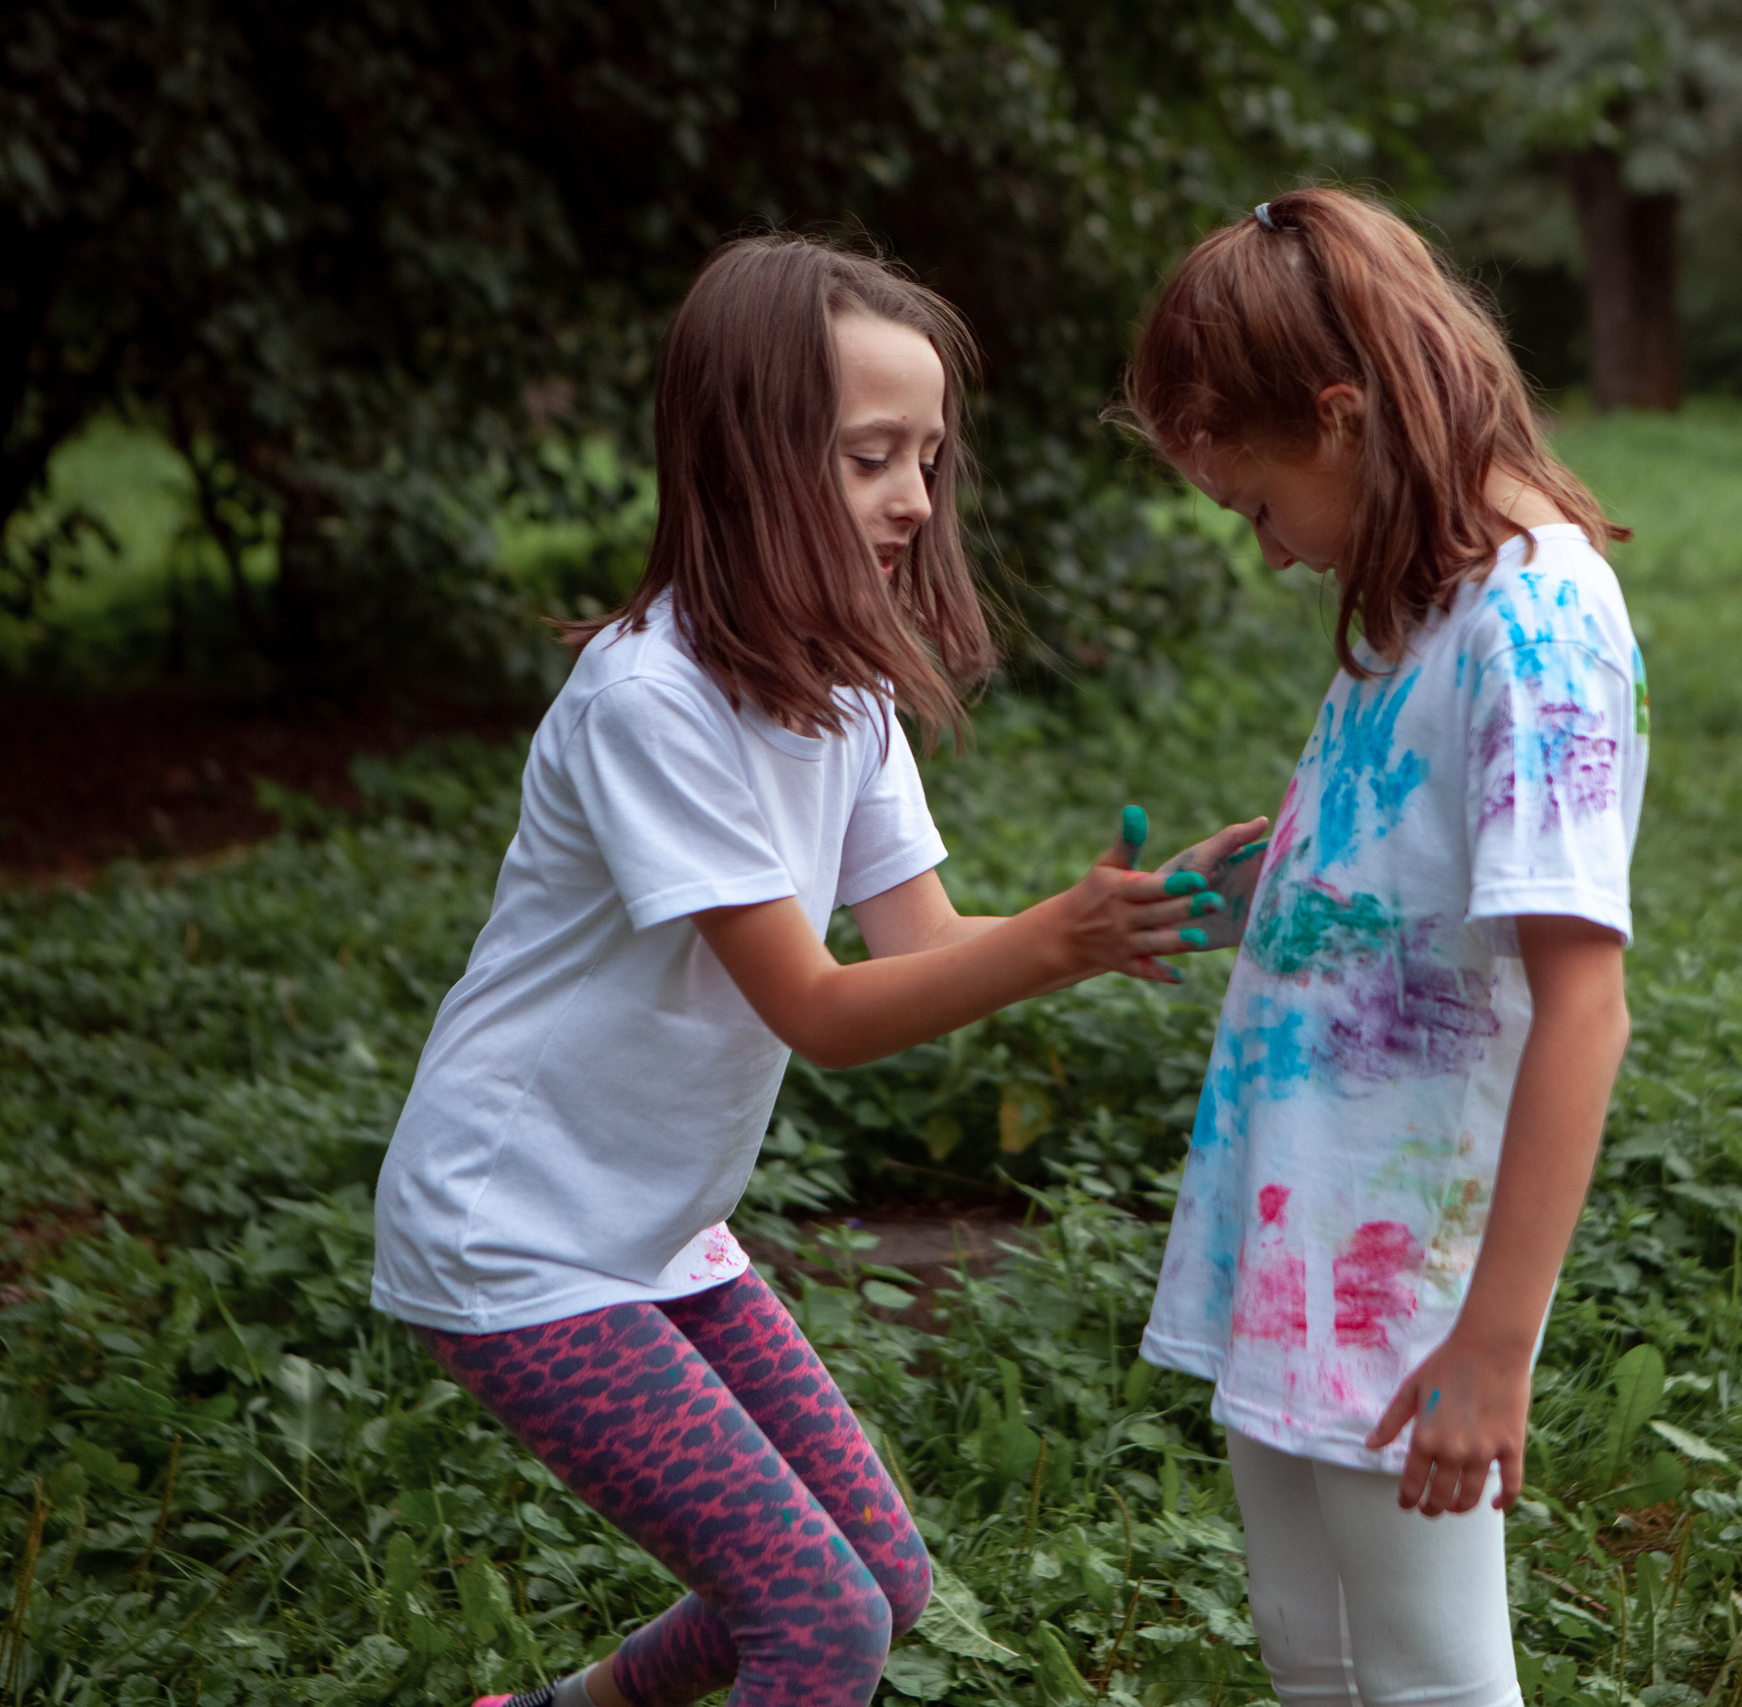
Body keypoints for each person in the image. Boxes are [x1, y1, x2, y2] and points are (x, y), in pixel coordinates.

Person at [368, 235, 1259, 1707]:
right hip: (516, 1235)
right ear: (746, 457)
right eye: (868, 459)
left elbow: (918, 944)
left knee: (884, 1583)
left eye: (928, 458)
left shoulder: (836, 692)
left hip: (653, 1231)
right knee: (816, 1620)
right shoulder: (652, 701)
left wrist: (1125, 919)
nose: (915, 498)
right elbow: (822, 1011)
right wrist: (1060, 938)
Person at [1123, 187, 1646, 1707]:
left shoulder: (1536, 624)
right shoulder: (1412, 605)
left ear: (1341, 418)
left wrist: (1494, 1346)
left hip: (1406, 1282)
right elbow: (1414, 890)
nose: (1273, 553)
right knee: (1318, 1662)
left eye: (1258, 505)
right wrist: (1246, 895)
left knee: (1427, 1685)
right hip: (1295, 1231)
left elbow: (1583, 1003)